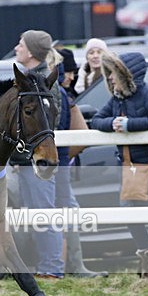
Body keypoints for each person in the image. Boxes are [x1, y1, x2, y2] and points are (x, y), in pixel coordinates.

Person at [91, 52, 148, 280]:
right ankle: (147, 259)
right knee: (131, 215)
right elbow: (96, 120)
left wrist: (130, 125)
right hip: (132, 169)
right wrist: (113, 123)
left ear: (125, 75)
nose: (110, 78)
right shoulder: (117, 99)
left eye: (113, 73)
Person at [11, 29, 65, 279]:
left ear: (31, 52)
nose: (17, 48)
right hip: (25, 160)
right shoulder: (32, 79)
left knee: (43, 213)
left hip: (38, 160)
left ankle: (52, 268)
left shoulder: (43, 83)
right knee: (35, 215)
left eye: (21, 45)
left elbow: (47, 126)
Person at [54, 50, 108, 279]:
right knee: (67, 211)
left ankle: (72, 265)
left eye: (72, 72)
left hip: (58, 167)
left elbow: (81, 137)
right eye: (67, 72)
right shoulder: (61, 96)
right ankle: (72, 266)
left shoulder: (65, 96)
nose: (71, 76)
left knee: (67, 211)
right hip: (57, 167)